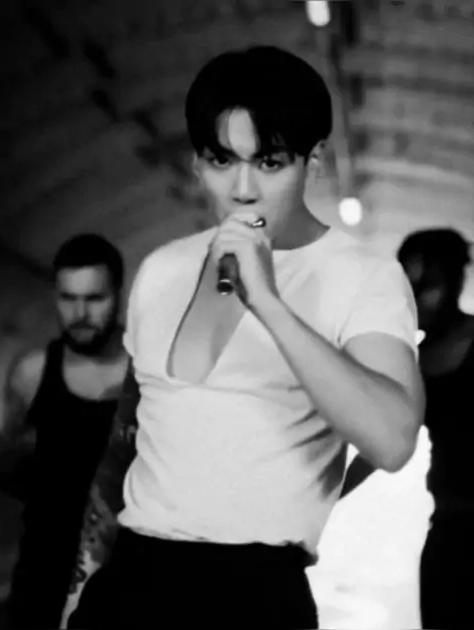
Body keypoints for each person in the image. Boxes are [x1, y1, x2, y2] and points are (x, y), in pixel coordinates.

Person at [66, 46, 424, 630]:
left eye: (269, 162)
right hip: (130, 580)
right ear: (196, 166)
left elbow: (393, 441)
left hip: (254, 593)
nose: (242, 189)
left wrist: (269, 303)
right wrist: (80, 589)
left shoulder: (363, 276)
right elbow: (123, 447)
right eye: (221, 160)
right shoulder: (162, 269)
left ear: (313, 162)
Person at [1, 234, 128, 629]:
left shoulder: (150, 374)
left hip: (128, 583)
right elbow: (14, 459)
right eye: (68, 298)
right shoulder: (31, 373)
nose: (80, 313)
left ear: (119, 296)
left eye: (94, 298)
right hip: (41, 581)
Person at [397, 228, 474, 629]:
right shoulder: (414, 362)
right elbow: (387, 442)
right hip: (450, 532)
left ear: (456, 281)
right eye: (406, 286)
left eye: (426, 285)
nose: (413, 298)